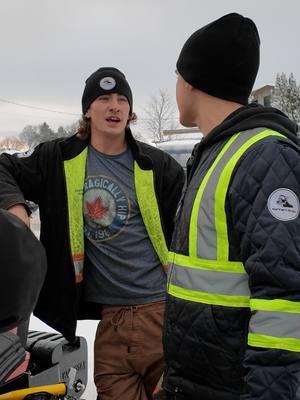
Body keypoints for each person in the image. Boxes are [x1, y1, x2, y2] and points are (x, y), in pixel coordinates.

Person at [0, 67, 185, 400]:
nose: (113, 106)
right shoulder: (57, 158)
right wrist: (17, 207)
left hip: (161, 315)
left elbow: (189, 235)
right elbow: (3, 167)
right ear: (88, 109)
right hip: (110, 324)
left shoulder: (159, 166)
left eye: (121, 100)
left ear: (130, 111)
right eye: (103, 98)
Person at [163, 13, 300, 400]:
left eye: (177, 75)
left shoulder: (265, 157)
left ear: (191, 81)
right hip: (197, 384)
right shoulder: (216, 151)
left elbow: (285, 302)